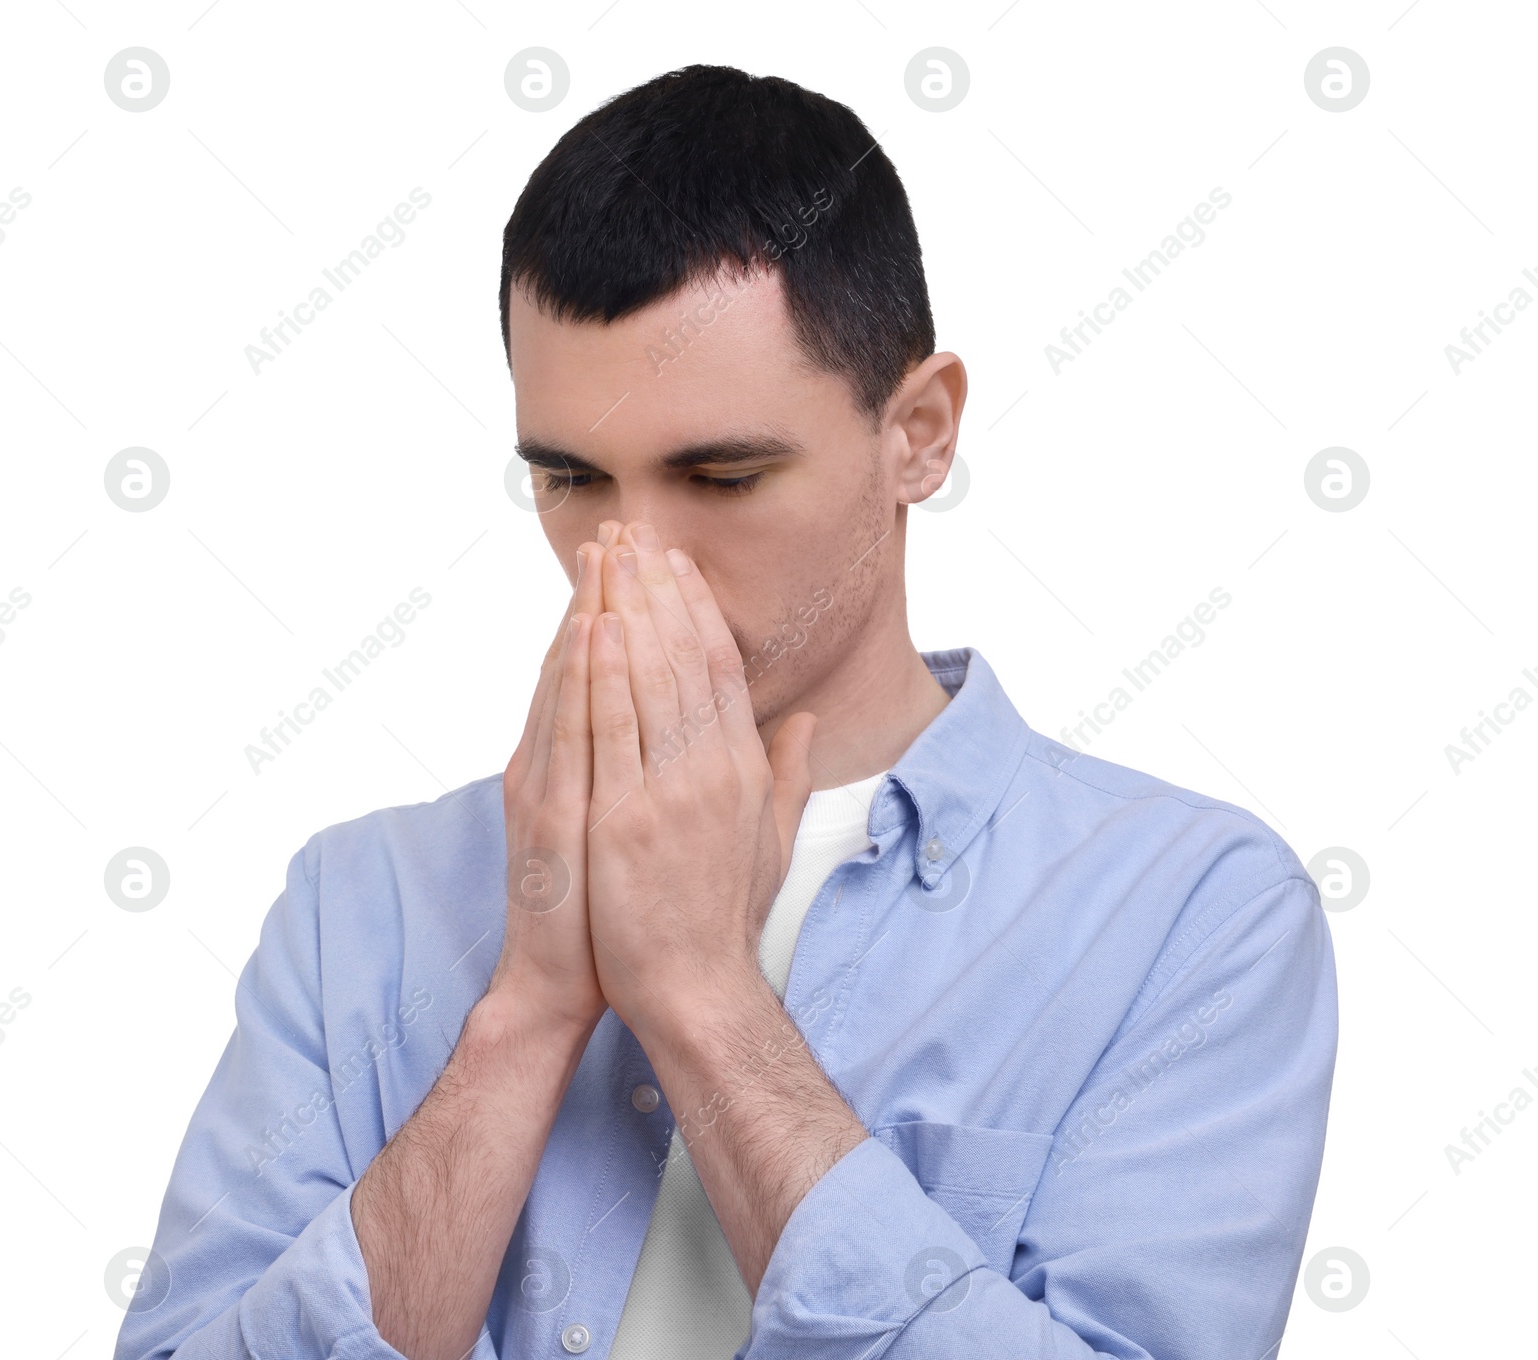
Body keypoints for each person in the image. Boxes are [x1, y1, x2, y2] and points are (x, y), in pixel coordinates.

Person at [115, 63, 1337, 1360]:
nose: (634, 556)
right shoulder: (356, 905)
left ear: (918, 433)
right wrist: (530, 1006)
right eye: (572, 477)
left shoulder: (1193, 916)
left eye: (725, 474)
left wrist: (703, 993)